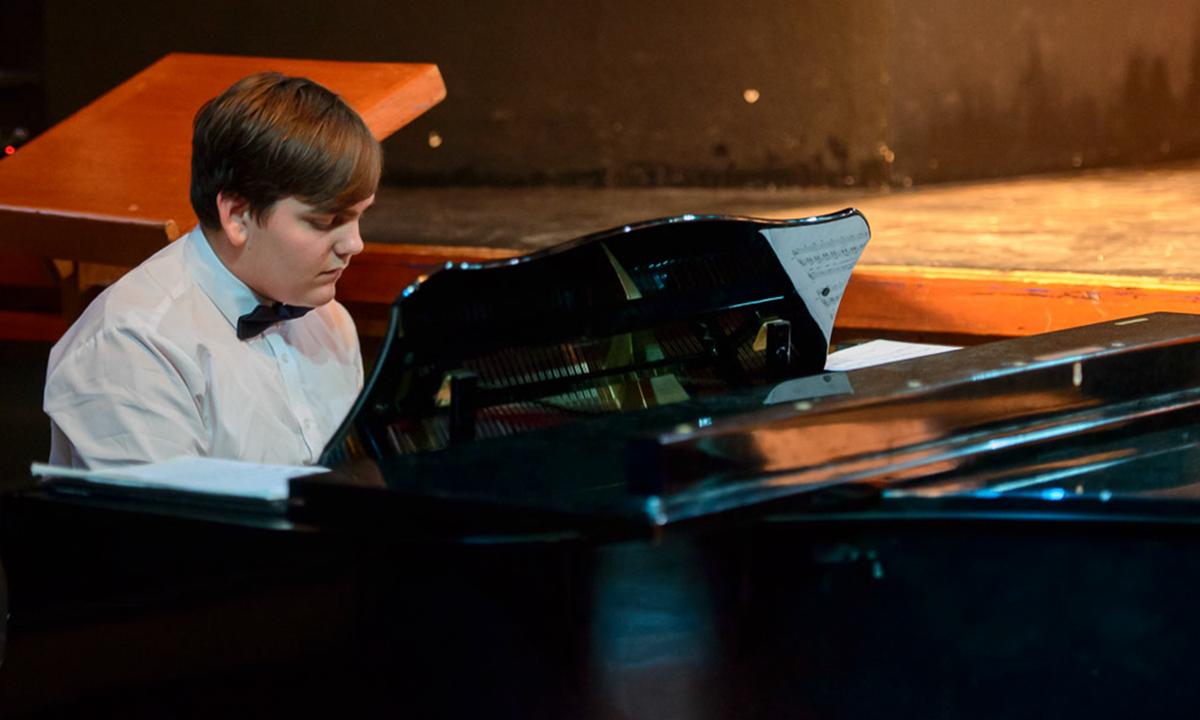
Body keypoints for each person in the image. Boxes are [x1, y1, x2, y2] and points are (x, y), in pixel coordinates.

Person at [44, 72, 380, 468]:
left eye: (359, 216)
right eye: (326, 221)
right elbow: (165, 525)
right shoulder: (132, 346)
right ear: (238, 216)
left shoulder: (330, 320)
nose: (354, 244)